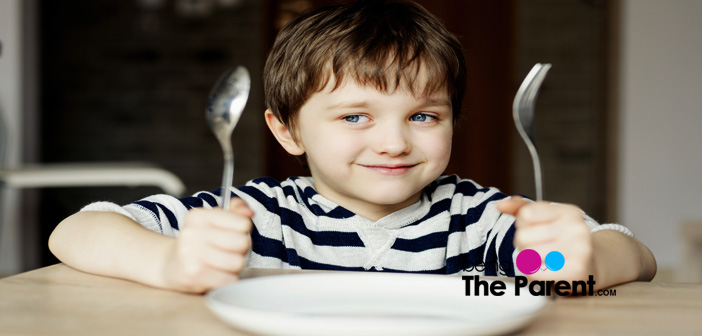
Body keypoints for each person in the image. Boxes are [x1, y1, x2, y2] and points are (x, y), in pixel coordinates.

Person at [49, 0, 656, 294]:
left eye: (423, 115)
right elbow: (77, 229)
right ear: (286, 129)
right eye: (355, 116)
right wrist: (169, 264)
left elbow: (630, 256)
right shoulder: (256, 218)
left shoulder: (479, 223)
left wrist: (570, 265)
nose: (392, 142)